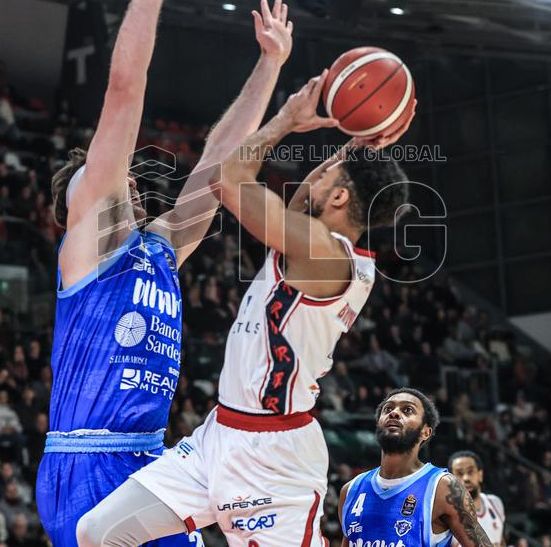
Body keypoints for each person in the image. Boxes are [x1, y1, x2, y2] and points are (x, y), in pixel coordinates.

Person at [37, 0, 299, 547]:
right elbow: (124, 92)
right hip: (87, 464)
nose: (121, 178)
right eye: (100, 177)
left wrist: (269, 66)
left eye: (120, 177)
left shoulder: (157, 251)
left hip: (152, 460)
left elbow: (218, 167)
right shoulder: (89, 246)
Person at [76, 72, 413, 545]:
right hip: (220, 435)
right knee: (99, 532)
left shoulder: (318, 248)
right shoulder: (325, 246)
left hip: (272, 459)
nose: (311, 175)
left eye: (323, 176)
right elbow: (304, 200)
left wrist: (287, 120)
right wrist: (354, 145)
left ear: (338, 198)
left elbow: (227, 180)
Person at [338, 389, 494, 547]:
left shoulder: (443, 488)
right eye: (388, 409)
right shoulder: (351, 490)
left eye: (407, 410)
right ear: (378, 423)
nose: (394, 413)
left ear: (425, 432)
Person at [448, 451, 506, 547]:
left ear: (480, 475)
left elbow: (501, 542)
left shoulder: (495, 503)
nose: (466, 478)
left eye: (470, 471)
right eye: (459, 473)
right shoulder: (447, 515)